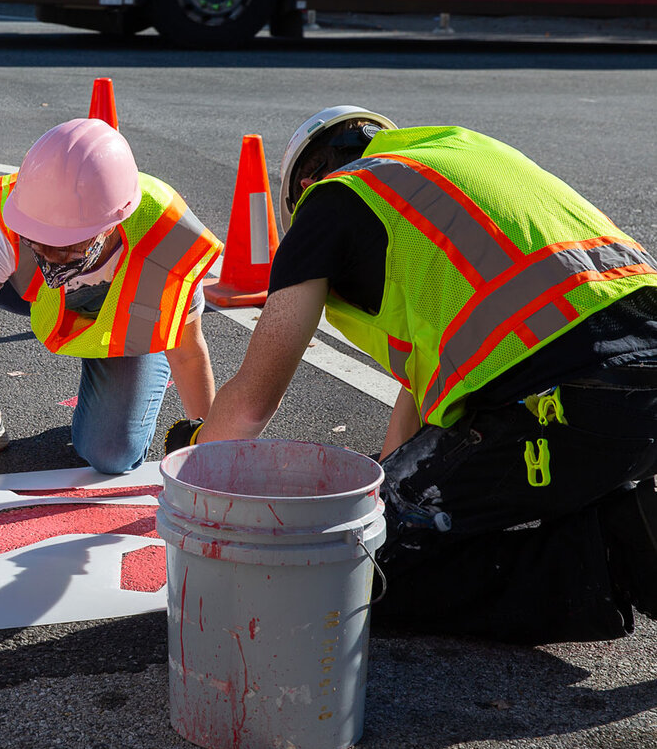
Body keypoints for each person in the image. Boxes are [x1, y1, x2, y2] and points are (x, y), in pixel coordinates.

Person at [173, 107, 657, 642]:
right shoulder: (454, 155)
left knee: (355, 569)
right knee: (413, 508)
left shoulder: (332, 201)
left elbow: (251, 404)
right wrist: (392, 487)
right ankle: (618, 504)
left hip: (576, 397)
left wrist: (195, 468)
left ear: (305, 183)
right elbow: (421, 402)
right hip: (623, 386)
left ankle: (618, 551)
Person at [0, 117, 221, 486]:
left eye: (66, 246)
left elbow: (189, 355)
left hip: (130, 325)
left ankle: (124, 388)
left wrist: (209, 455)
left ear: (111, 224)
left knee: (110, 454)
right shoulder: (17, 221)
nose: (48, 256)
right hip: (49, 301)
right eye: (38, 240)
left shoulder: (165, 239)